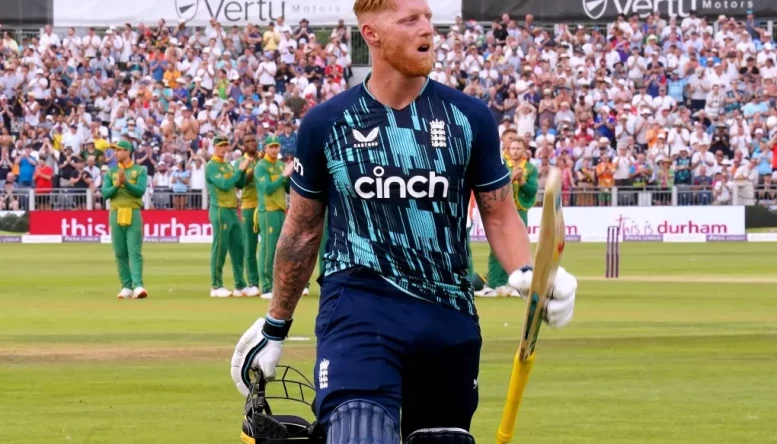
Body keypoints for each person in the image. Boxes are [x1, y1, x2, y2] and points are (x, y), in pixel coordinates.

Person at [230, 1, 578, 443]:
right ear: (371, 34)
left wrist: (528, 273)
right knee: (358, 430)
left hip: (448, 316)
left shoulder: (469, 118)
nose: (427, 29)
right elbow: (301, 232)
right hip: (357, 311)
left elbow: (499, 210)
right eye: (410, 20)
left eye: (429, 18)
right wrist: (274, 327)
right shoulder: (326, 123)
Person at [476, 138, 539, 298]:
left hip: (520, 210)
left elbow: (532, 191)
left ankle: (513, 284)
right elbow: (497, 186)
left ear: (524, 150)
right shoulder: (503, 166)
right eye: (512, 148)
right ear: (508, 150)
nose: (515, 151)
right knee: (497, 247)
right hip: (503, 211)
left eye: (518, 148)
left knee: (517, 246)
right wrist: (512, 179)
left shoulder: (530, 169)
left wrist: (523, 181)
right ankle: (492, 284)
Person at [101, 140, 148, 299]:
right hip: (115, 213)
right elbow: (105, 193)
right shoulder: (110, 172)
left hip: (133, 212)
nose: (116, 153)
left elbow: (140, 191)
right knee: (120, 252)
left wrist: (125, 183)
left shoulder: (140, 170)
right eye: (115, 150)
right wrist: (117, 185)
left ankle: (138, 285)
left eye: (119, 150)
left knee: (134, 251)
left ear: (128, 151)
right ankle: (126, 286)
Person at [206, 135, 250, 298]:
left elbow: (239, 184)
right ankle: (216, 285)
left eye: (225, 145)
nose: (223, 148)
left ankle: (240, 285)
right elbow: (224, 185)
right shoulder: (211, 166)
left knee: (238, 247)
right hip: (220, 210)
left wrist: (243, 170)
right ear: (214, 147)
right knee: (220, 247)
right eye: (220, 146)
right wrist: (239, 170)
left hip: (232, 210)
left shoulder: (227, 165)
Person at [253, 135, 293, 299]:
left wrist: (291, 176)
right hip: (267, 211)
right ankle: (267, 287)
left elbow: (288, 189)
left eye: (277, 147)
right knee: (268, 250)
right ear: (265, 149)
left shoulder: (280, 165)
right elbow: (267, 188)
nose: (275, 150)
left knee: (282, 250)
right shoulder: (261, 166)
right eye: (271, 147)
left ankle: (279, 285)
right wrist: (283, 175)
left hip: (280, 210)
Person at [234, 133, 262, 297]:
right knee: (249, 247)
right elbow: (241, 183)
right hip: (248, 206)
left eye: (253, 140)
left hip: (265, 207)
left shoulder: (263, 158)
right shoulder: (239, 162)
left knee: (269, 247)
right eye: (247, 142)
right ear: (243, 145)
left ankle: (269, 282)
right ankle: (253, 283)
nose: (251, 143)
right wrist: (251, 169)